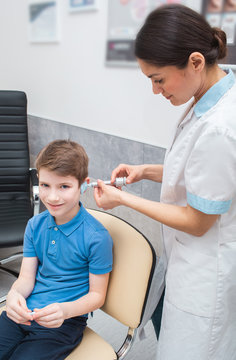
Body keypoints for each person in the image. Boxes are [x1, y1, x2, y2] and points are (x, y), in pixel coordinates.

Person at [93, 4, 236, 360]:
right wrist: (146, 170)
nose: (156, 91)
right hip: (190, 263)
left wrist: (124, 200)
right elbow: (197, 171)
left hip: (205, 275)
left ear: (196, 62)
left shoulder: (219, 127)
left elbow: (198, 221)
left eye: (159, 79)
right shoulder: (210, 93)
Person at [0, 140, 113, 360]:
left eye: (64, 186)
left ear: (83, 185)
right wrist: (14, 295)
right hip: (25, 312)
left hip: (63, 322)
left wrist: (65, 312)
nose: (52, 197)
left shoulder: (97, 238)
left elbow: (97, 296)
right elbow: (25, 279)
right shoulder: (35, 225)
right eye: (45, 185)